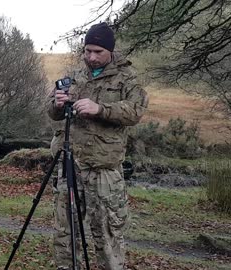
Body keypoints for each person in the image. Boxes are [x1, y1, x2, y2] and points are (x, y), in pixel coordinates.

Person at [48, 22, 148, 270]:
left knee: (107, 233)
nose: (91, 57)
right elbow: (52, 113)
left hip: (104, 170)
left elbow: (136, 111)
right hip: (71, 165)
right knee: (65, 232)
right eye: (87, 51)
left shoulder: (127, 79)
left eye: (98, 52)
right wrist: (57, 104)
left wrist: (100, 109)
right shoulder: (76, 76)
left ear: (110, 51)